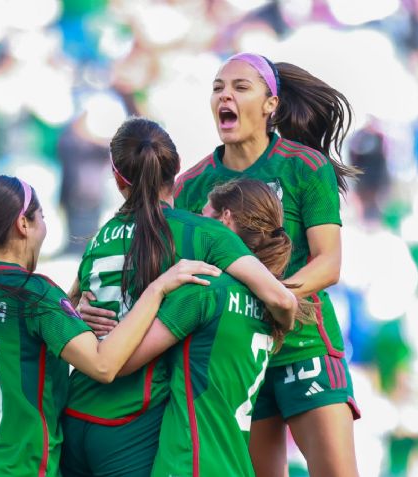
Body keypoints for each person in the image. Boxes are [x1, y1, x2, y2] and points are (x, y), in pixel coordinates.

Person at [0, 175, 219, 477]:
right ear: (23, 224)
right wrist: (157, 289)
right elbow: (103, 365)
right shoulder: (34, 294)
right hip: (11, 467)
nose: (44, 225)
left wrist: (70, 317)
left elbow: (11, 341)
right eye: (42, 216)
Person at [63, 118, 302, 477]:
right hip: (131, 423)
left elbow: (68, 309)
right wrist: (276, 330)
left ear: (116, 177)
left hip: (75, 413)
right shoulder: (201, 233)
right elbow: (280, 299)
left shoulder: (99, 237)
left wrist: (81, 313)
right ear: (176, 170)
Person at [176, 52, 362, 477]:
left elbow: (329, 264)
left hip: (305, 343)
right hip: (239, 355)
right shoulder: (189, 186)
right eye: (218, 87)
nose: (226, 95)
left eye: (241, 87)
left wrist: (270, 299)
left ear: (270, 105)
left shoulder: (305, 167)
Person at [115, 177, 308, 476]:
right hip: (236, 466)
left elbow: (119, 362)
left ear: (225, 221)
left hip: (187, 464)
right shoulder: (269, 311)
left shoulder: (204, 291)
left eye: (204, 217)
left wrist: (154, 290)